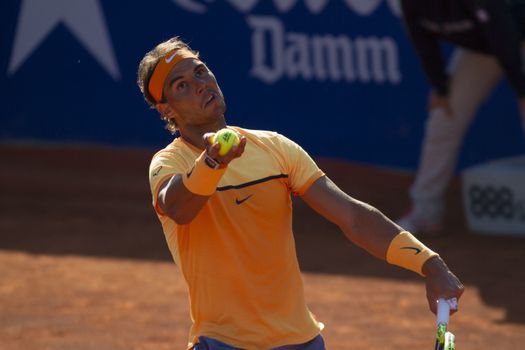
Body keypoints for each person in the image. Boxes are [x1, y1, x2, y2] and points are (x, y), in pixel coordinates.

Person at [137, 36, 464, 350]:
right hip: (222, 343)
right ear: (167, 110)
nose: (200, 84)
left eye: (200, 71)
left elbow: (353, 217)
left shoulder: (275, 149)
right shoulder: (169, 163)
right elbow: (178, 207)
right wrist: (212, 162)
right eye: (181, 86)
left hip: (300, 342)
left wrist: (430, 264)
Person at [398, 0, 525, 235]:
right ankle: (426, 212)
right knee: (443, 117)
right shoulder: (410, 4)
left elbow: (503, 34)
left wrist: (521, 90)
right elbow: (422, 40)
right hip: (485, 49)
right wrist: (441, 88)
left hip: (514, 36)